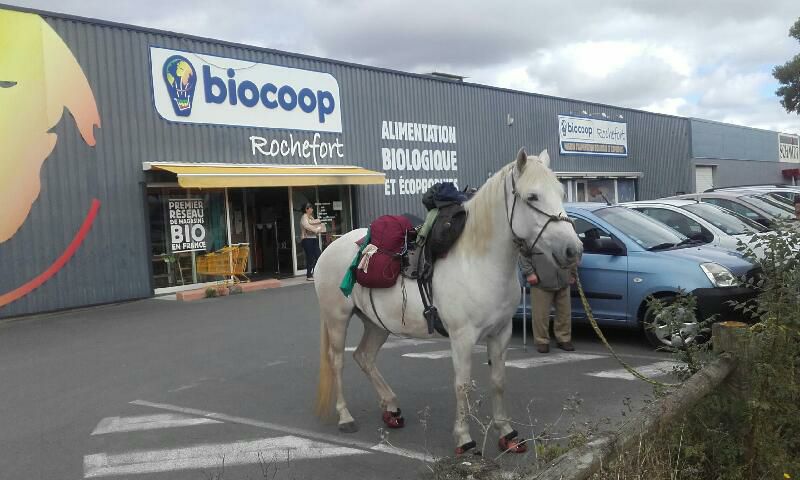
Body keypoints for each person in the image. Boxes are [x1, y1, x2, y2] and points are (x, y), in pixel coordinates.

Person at [520, 250, 576, 353]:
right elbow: (523, 253)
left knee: (564, 313)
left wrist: (572, 272)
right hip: (541, 280)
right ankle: (542, 341)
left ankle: (563, 339)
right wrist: (529, 273)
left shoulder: (565, 233)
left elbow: (574, 251)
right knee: (540, 314)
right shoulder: (534, 234)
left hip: (563, 279)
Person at [300, 203, 325, 281]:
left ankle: (316, 273)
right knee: (310, 257)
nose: (312, 209)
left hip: (313, 239)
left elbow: (316, 225)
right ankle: (309, 275)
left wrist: (318, 228)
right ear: (306, 209)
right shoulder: (304, 217)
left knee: (318, 256)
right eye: (310, 208)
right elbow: (307, 226)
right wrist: (316, 229)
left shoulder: (310, 217)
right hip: (307, 239)